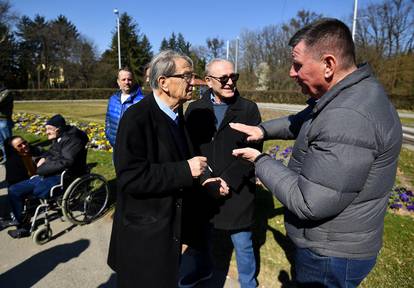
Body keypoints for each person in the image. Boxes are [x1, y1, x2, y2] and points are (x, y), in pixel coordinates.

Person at [231, 18, 402, 288]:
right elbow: (303, 121)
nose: (291, 72)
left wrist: (260, 160)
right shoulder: (346, 95)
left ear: (329, 64)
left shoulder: (348, 115)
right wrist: (261, 131)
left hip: (330, 254)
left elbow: (308, 201)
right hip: (334, 245)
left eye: (297, 65)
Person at [107, 50, 229, 288]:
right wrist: (185, 170)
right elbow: (131, 178)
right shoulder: (136, 119)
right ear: (163, 82)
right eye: (186, 76)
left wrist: (204, 179)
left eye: (193, 76)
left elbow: (186, 159)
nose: (193, 82)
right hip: (143, 239)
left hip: (165, 235)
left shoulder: (175, 115)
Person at [183, 59, 262, 288]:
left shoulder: (248, 108)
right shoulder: (195, 109)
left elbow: (253, 152)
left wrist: (227, 180)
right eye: (223, 78)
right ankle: (203, 270)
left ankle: (249, 284)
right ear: (208, 81)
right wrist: (206, 178)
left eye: (233, 77)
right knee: (201, 238)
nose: (230, 82)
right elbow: (190, 148)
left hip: (237, 190)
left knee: (243, 243)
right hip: (204, 187)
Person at [2, 114, 89, 237]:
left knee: (38, 191)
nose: (46, 132)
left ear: (57, 129)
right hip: (50, 173)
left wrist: (41, 170)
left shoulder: (73, 140)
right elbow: (52, 152)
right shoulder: (59, 137)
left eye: (49, 129)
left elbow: (66, 162)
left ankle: (26, 220)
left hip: (63, 176)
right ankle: (22, 224)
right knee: (13, 190)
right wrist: (43, 158)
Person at [105, 67, 144, 148]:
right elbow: (108, 120)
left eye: (129, 79)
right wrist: (109, 136)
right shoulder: (113, 99)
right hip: (115, 147)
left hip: (133, 149)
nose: (127, 82)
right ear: (118, 82)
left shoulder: (141, 101)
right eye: (123, 79)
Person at [0, 84, 14, 163]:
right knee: (1, 142)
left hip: (4, 120)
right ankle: (6, 158)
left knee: (8, 142)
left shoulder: (6, 92)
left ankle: (11, 158)